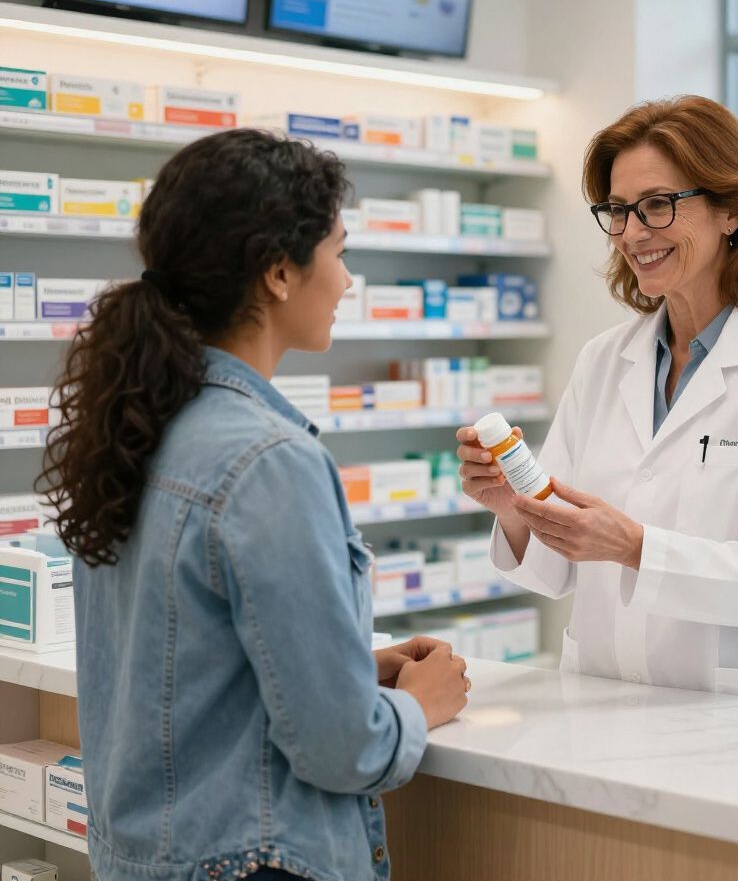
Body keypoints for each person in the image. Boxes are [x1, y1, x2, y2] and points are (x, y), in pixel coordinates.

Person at [40, 129, 469, 881]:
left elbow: (170, 670)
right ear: (278, 272)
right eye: (338, 252)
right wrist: (416, 707)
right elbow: (344, 748)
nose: (347, 280)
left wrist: (346, 670)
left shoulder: (137, 423)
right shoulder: (268, 461)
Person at [457, 96, 738, 705]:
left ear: (731, 210)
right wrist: (512, 509)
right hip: (601, 702)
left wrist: (635, 548)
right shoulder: (602, 361)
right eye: (618, 211)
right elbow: (555, 571)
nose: (632, 233)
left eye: (657, 205)